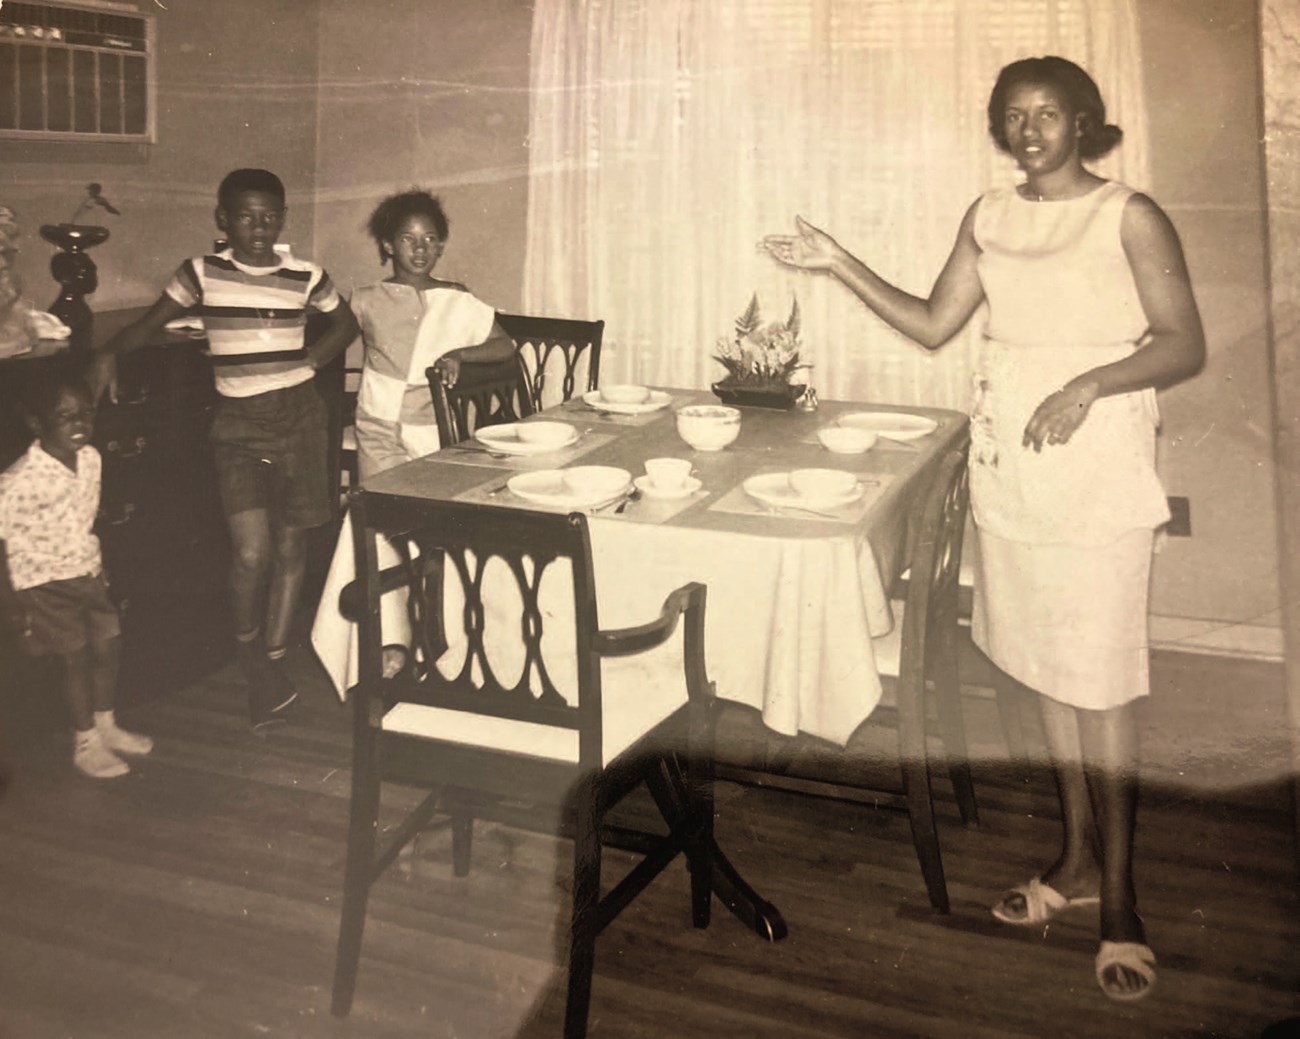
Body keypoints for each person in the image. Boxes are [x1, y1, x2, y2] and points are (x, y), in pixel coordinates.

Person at [761, 56, 1205, 1003]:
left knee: (1106, 680)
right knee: (1048, 665)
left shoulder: (1128, 213)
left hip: (1097, 457)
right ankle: (1075, 863)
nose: (1032, 129)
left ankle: (1121, 898)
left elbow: (1182, 341)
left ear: (1083, 122)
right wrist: (838, 259)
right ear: (1002, 129)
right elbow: (931, 323)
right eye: (1015, 116)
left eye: (1049, 113)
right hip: (1014, 458)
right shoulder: (988, 216)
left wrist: (1088, 382)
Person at [88, 168, 359, 731]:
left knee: (289, 547)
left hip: (300, 419)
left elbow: (345, 323)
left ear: (282, 218)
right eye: (244, 215)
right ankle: (249, 655)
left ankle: (274, 663)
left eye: (269, 215)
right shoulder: (200, 273)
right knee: (252, 553)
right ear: (223, 220)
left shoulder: (306, 274)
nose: (258, 227)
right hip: (237, 426)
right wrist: (109, 353)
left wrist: (311, 362)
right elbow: (149, 324)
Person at [0, 366, 153, 778]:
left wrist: (95, 568)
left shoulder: (91, 459)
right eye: (66, 416)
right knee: (75, 657)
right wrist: (9, 602)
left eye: (87, 413)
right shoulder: (18, 481)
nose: (80, 423)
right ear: (37, 422)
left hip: (85, 571)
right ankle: (85, 741)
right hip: (42, 582)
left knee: (109, 645)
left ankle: (106, 725)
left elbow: (83, 519)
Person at [350, 189, 514, 480]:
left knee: (428, 501)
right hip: (376, 427)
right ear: (388, 245)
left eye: (430, 238)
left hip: (433, 424)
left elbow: (505, 346)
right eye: (407, 239)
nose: (420, 248)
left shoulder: (456, 298)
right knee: (379, 504)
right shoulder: (365, 299)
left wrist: (459, 355)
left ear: (440, 246)